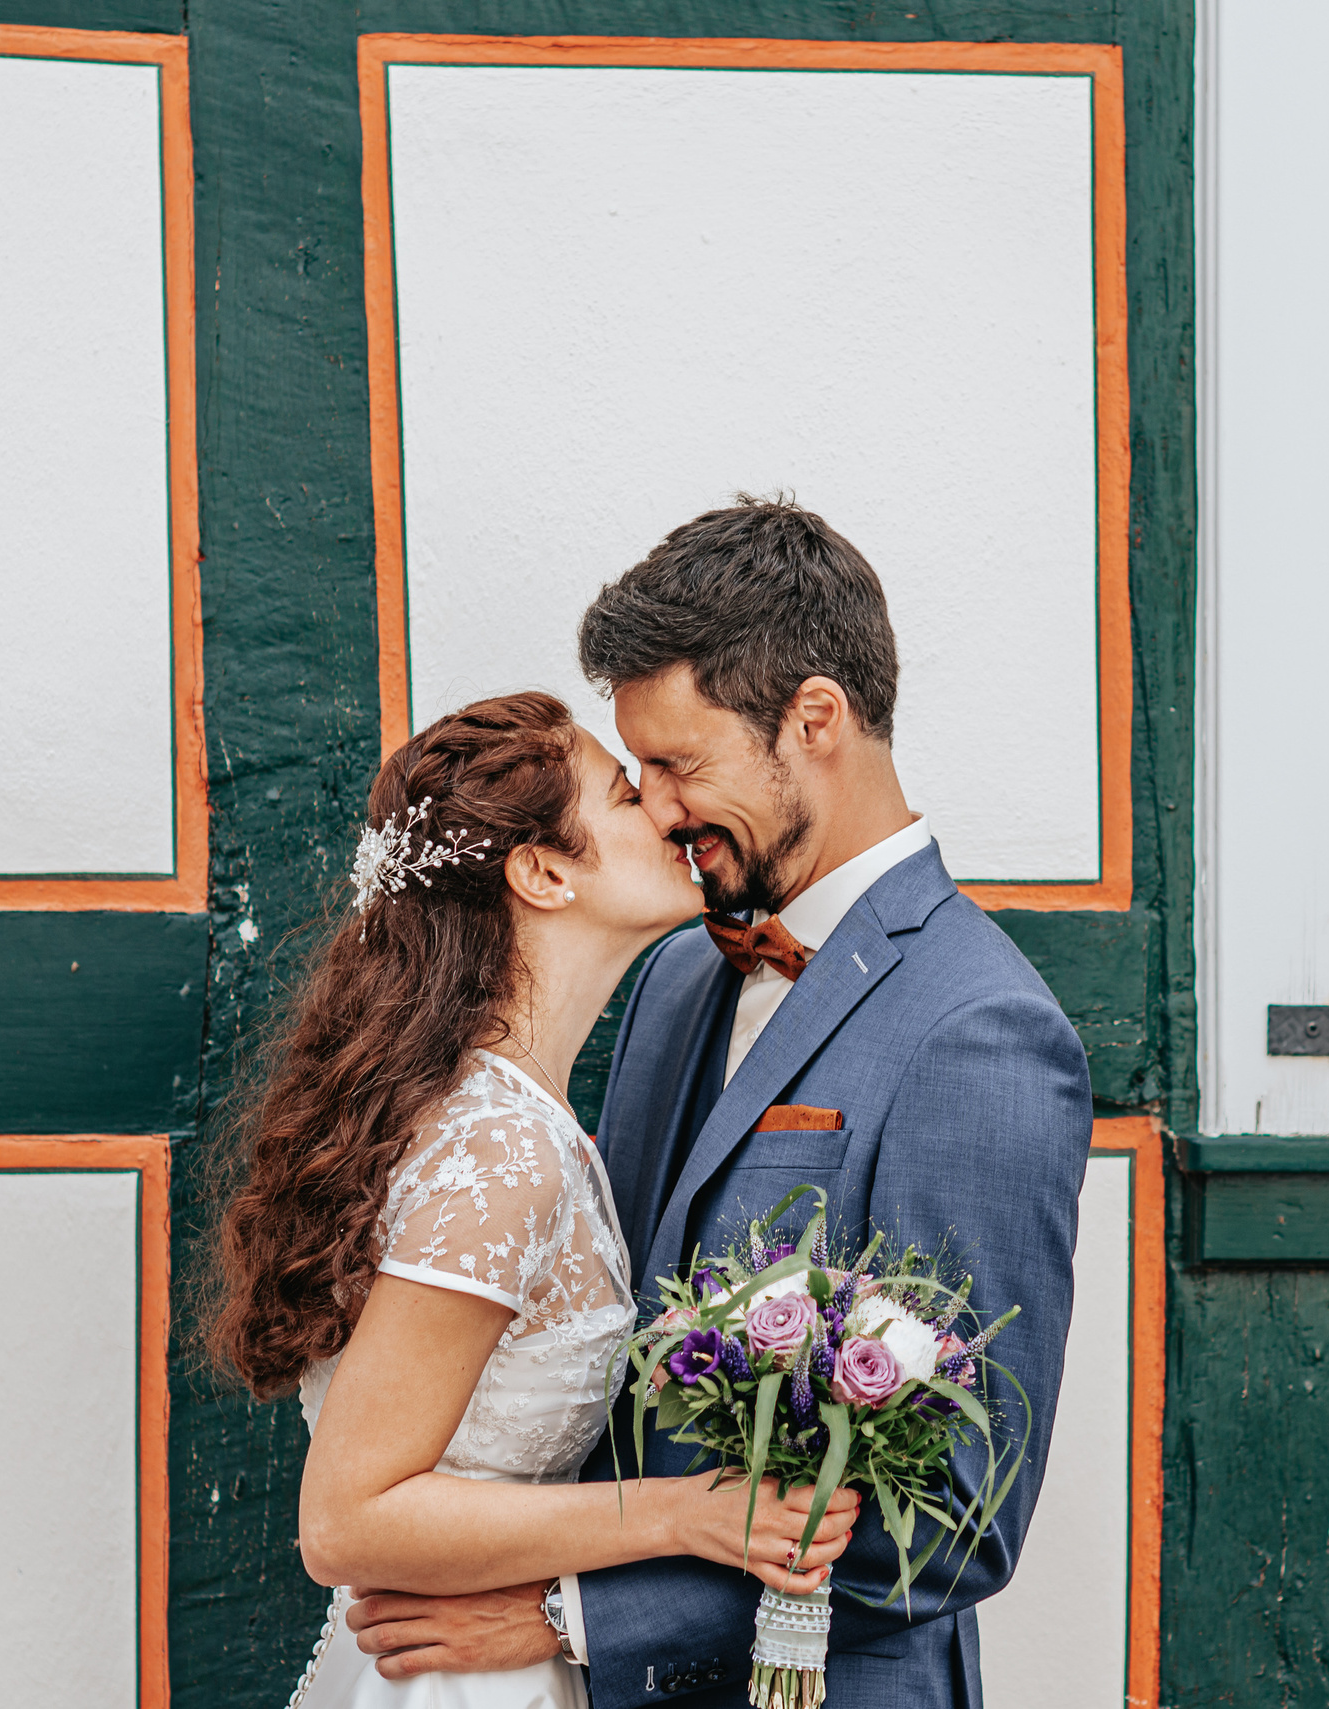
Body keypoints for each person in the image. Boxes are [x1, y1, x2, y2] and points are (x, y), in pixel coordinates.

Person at [341, 497, 1094, 1709]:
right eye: (636, 768)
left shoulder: (981, 1033)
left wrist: (563, 1616)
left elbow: (956, 1515)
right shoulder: (681, 967)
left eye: (679, 763)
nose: (658, 804)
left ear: (814, 721)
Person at [205, 690, 863, 1709]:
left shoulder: (513, 1116)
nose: (663, 807)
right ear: (545, 871)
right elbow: (345, 1518)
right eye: (621, 791)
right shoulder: (502, 1145)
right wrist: (688, 1512)